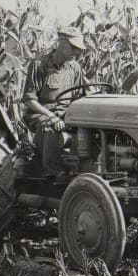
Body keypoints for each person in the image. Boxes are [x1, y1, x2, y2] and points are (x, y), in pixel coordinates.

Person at [21, 26, 88, 182]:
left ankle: (83, 168)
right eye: (74, 47)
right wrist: (52, 117)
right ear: (62, 43)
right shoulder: (39, 64)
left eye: (79, 49)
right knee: (48, 127)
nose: (77, 52)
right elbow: (29, 100)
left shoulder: (75, 69)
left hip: (66, 113)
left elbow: (78, 98)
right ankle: (52, 172)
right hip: (41, 114)